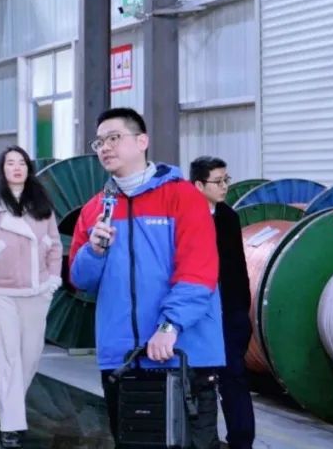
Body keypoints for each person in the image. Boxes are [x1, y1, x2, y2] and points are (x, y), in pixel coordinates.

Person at [69, 108, 224, 448]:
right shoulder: (96, 209)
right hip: (123, 358)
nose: (105, 147)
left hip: (184, 352)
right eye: (99, 142)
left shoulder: (183, 197)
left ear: (142, 142)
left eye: (114, 138)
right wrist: (94, 251)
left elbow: (198, 270)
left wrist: (170, 325)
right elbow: (80, 280)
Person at [0, 146, 62, 449]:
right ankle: (11, 426)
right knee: (8, 358)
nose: (17, 167)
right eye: (10, 163)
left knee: (31, 355)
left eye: (21, 162)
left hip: (37, 291)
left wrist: (51, 280)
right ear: (2, 169)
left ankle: (11, 408)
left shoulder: (41, 202)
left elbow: (54, 244)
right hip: (1, 292)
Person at [191, 156, 254, 449]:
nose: (225, 186)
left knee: (234, 377)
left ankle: (241, 441)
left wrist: (241, 312)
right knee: (198, 380)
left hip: (229, 312)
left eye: (226, 179)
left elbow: (238, 268)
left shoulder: (229, 217)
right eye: (218, 181)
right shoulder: (184, 216)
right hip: (196, 313)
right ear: (198, 185)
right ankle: (203, 440)